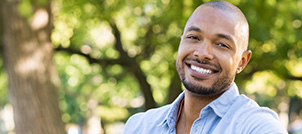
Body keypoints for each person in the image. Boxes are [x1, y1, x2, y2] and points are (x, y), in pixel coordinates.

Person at [123, 1, 288, 134]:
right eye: (193, 37)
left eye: (222, 44)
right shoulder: (139, 126)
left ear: (242, 62)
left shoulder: (255, 126)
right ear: (181, 42)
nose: (202, 53)